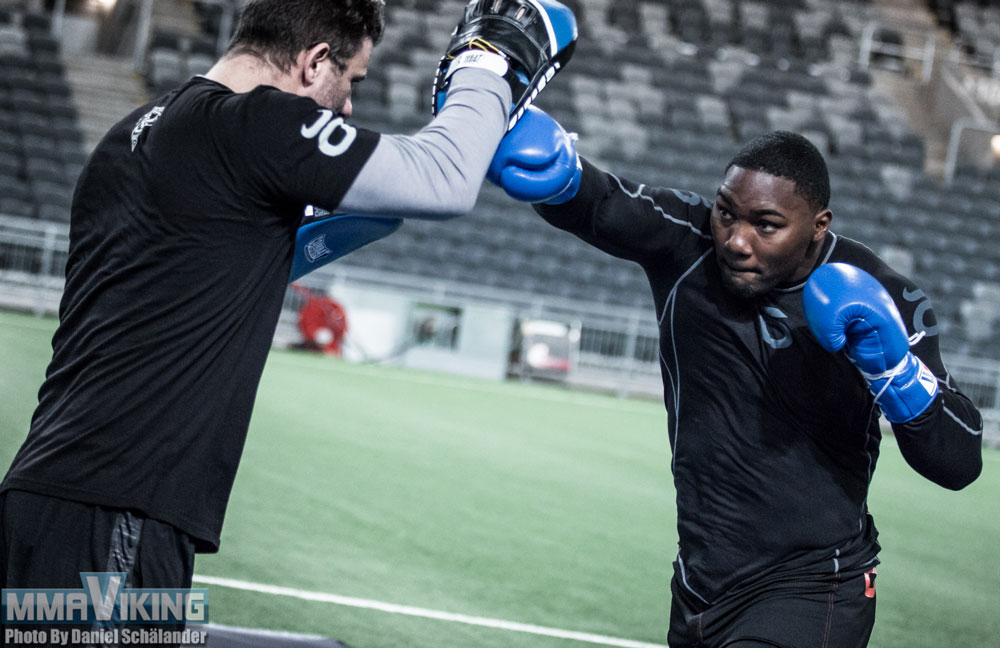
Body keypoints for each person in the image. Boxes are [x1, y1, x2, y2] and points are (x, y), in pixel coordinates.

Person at [0, 0, 576, 636]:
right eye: (351, 81)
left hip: (48, 492)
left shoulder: (134, 134)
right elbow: (442, 179)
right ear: (314, 62)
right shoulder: (254, 124)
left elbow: (205, 265)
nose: (349, 107)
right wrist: (486, 65)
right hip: (119, 509)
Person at [487, 108, 984, 647]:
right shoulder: (687, 241)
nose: (736, 241)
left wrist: (894, 370)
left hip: (813, 588)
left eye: (766, 225)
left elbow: (958, 461)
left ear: (818, 226)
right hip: (699, 586)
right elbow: (603, 202)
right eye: (726, 213)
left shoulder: (881, 294)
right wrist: (551, 167)